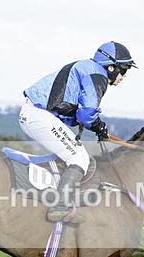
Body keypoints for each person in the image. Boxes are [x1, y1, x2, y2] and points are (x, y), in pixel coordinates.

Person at [20, 41, 137, 223]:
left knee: (76, 156)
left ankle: (60, 199)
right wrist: (98, 125)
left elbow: (74, 112)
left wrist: (94, 124)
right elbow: (87, 113)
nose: (124, 76)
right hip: (39, 115)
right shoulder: (97, 74)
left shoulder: (88, 67)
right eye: (124, 70)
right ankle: (59, 207)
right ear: (112, 67)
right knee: (79, 158)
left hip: (36, 114)